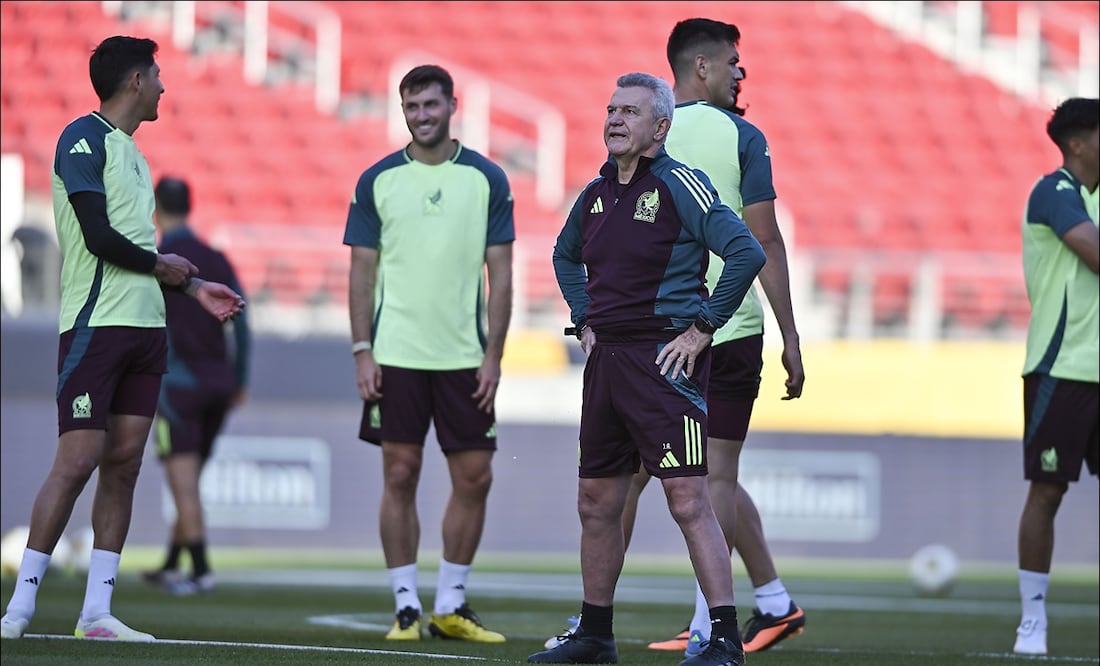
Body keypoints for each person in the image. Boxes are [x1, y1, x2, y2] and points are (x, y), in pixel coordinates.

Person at [0, 35, 245, 641]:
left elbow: (140, 255)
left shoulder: (135, 155)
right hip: (95, 327)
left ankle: (96, 613)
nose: (165, 85)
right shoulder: (80, 139)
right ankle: (19, 609)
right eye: (158, 74)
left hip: (145, 329)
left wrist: (192, 288)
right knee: (77, 461)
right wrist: (163, 267)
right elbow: (98, 238)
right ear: (135, 81)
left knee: (125, 466)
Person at [528, 72, 765, 666]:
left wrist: (703, 326)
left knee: (688, 499)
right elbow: (563, 255)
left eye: (629, 111)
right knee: (596, 501)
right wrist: (583, 315)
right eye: (610, 109)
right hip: (606, 360)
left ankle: (725, 640)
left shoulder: (683, 184)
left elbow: (746, 251)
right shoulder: (595, 193)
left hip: (665, 362)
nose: (614, 120)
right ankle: (595, 635)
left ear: (660, 127)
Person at [636, 18, 807, 657]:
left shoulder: (644, 128)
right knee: (716, 478)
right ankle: (765, 603)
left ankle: (708, 622)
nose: (742, 73)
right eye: (734, 62)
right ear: (701, 67)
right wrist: (790, 334)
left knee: (678, 478)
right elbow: (765, 240)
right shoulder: (742, 136)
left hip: (663, 331)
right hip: (732, 328)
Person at [342, 64, 514, 644]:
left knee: (475, 475)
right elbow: (360, 272)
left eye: (431, 105)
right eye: (412, 107)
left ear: (452, 105)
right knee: (400, 471)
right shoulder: (377, 181)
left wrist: (494, 356)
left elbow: (503, 275)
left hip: (465, 357)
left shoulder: (488, 178)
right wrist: (363, 350)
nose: (421, 116)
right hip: (396, 355)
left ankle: (451, 603)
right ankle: (407, 606)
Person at [1013, 96, 1098, 656]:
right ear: (1077, 142)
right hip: (1060, 369)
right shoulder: (1054, 192)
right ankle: (1033, 620)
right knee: (1047, 493)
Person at [141, 176, 251, 596]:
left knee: (181, 481)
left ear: (155, 210)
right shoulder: (217, 258)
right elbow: (244, 322)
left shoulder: (158, 260)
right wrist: (240, 378)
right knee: (190, 476)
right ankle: (172, 561)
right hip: (219, 383)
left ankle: (201, 570)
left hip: (179, 385)